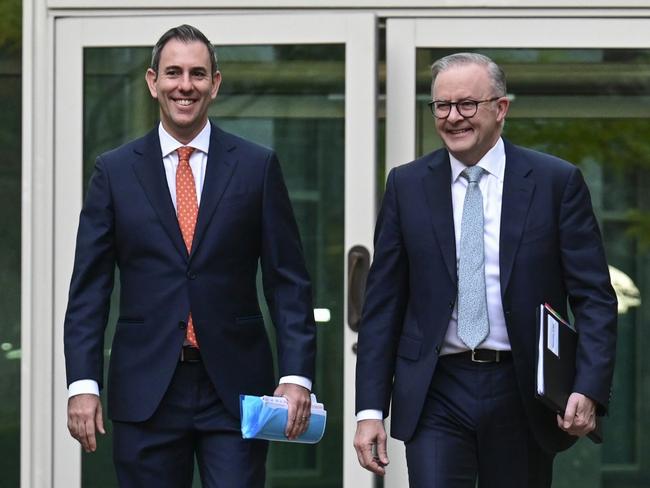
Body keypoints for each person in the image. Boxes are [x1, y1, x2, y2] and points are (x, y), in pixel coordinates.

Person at [64, 24, 317, 488]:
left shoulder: (257, 166)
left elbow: (288, 282)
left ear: (215, 83)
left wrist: (297, 374)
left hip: (236, 388)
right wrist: (83, 384)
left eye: (198, 74)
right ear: (152, 81)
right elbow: (89, 290)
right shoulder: (115, 172)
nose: (185, 85)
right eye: (174, 72)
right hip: (146, 388)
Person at [353, 52, 617, 487]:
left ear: (501, 108)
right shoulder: (407, 185)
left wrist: (587, 387)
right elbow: (383, 305)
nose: (453, 117)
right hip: (437, 387)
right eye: (442, 106)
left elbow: (594, 298)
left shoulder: (555, 183)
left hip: (522, 390)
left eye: (467, 105)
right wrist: (368, 411)